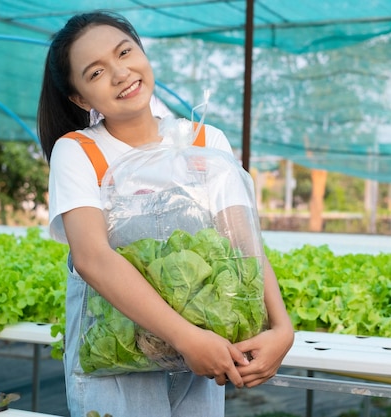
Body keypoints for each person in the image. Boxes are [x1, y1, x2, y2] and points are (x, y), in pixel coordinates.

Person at [37, 10, 294, 417]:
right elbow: (92, 259)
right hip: (118, 359)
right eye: (96, 73)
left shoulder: (206, 141)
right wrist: (187, 339)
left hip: (204, 360)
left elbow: (244, 246)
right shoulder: (79, 151)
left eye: (125, 52)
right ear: (80, 98)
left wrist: (282, 329)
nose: (120, 73)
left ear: (142, 52)